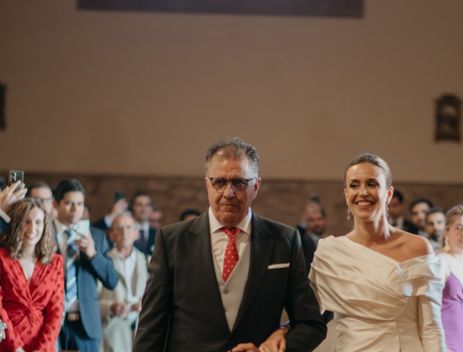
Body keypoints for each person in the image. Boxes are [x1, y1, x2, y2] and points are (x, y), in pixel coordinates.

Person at [134, 137, 326, 352]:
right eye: (219, 182)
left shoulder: (284, 240)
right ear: (207, 184)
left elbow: (310, 323)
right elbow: (151, 327)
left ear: (256, 186)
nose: (228, 193)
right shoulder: (172, 241)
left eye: (239, 182)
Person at [310, 153, 445, 351]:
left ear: (389, 194)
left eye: (372, 184)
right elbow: (310, 317)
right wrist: (282, 332)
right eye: (354, 185)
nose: (363, 192)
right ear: (346, 194)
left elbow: (431, 327)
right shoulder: (330, 253)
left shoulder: (417, 248)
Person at [53, 179, 119, 352]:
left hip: (86, 324)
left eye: (80, 204)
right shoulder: (45, 233)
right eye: (69, 203)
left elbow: (112, 280)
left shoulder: (96, 236)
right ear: (56, 204)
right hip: (51, 322)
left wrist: (92, 254)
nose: (75, 209)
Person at [0, 198, 64, 352]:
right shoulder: (2, 258)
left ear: (45, 225)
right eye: (26, 222)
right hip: (7, 341)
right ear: (16, 224)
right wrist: (15, 347)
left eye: (38, 222)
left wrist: (42, 349)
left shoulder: (55, 262)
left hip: (43, 343)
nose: (32, 228)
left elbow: (56, 311)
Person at [98, 212, 148, 352]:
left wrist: (144, 304)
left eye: (128, 227)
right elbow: (91, 302)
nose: (124, 232)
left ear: (137, 233)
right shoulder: (103, 263)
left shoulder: (148, 261)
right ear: (111, 234)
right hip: (113, 334)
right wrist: (110, 307)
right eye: (119, 228)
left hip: (142, 331)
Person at [439, 205, 463, 352]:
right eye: (459, 227)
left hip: (462, 339)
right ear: (446, 231)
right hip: (443, 341)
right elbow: (428, 307)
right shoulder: (440, 260)